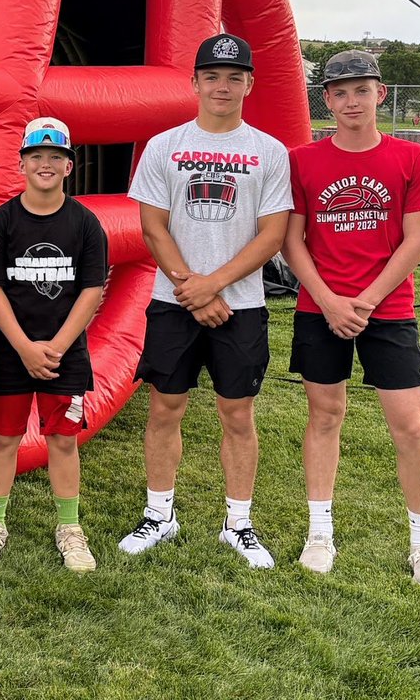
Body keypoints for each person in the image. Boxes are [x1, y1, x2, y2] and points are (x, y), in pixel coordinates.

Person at [282, 50, 420, 588]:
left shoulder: (411, 159)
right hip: (320, 308)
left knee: (410, 425)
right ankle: (319, 533)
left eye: (362, 90)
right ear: (326, 99)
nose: (351, 101)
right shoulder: (303, 160)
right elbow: (291, 239)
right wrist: (330, 301)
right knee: (324, 416)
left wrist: (367, 301)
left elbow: (417, 239)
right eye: (339, 92)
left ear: (380, 94)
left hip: (389, 310)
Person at [121, 34, 290, 568]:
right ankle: (159, 514)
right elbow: (152, 224)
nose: (223, 86)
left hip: (239, 304)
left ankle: (238, 522)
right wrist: (190, 289)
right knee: (165, 406)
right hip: (174, 300)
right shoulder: (163, 145)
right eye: (212, 76)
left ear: (249, 84)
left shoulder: (269, 150)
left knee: (237, 412)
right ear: (194, 82)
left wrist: (212, 285)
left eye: (234, 77)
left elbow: (273, 234)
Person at [0, 117, 106, 573]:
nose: (45, 164)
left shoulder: (85, 223)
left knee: (63, 441)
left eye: (55, 157)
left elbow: (90, 290)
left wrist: (58, 346)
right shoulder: (3, 220)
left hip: (64, 354)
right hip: (11, 351)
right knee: (4, 438)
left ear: (69, 165)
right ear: (22, 163)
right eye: (36, 156)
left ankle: (69, 528)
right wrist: (24, 345)